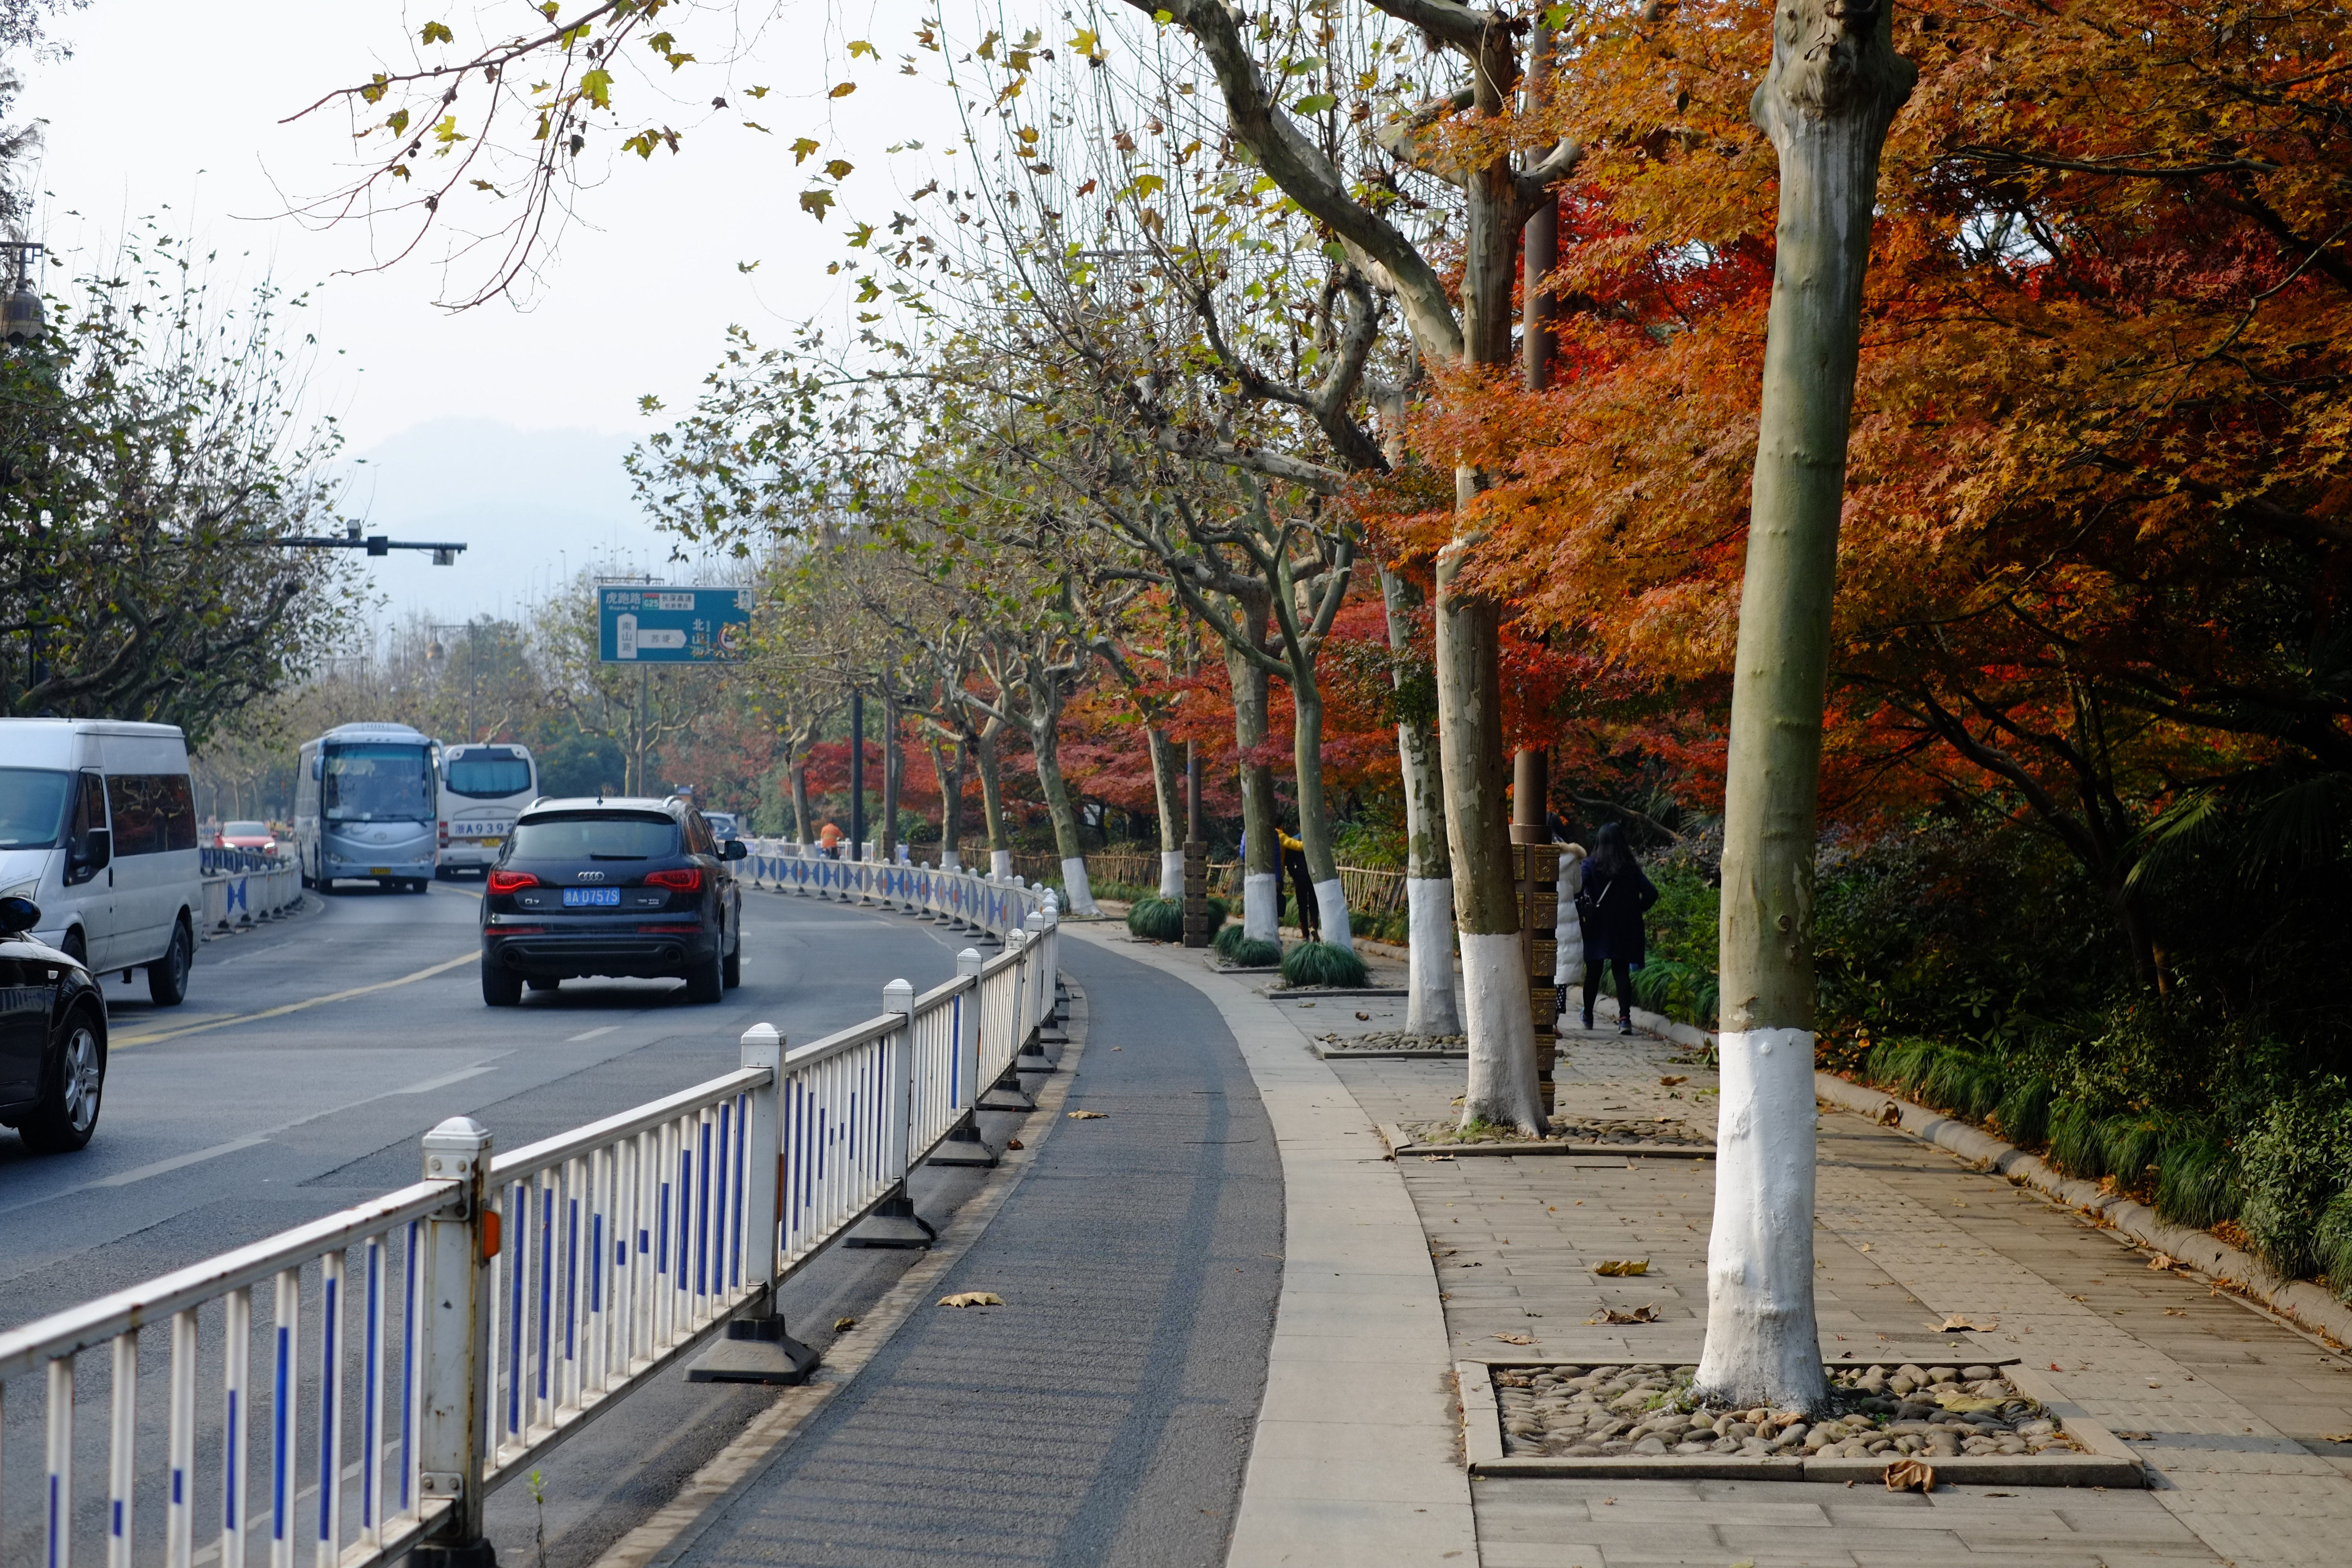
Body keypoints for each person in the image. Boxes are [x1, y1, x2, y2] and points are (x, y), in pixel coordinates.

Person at [1575, 821, 1657, 1034]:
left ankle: (1588, 1016)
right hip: (1625, 926)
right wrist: (1636, 909)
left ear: (1600, 841)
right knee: (1621, 971)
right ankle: (1625, 1020)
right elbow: (1651, 893)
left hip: (1597, 925)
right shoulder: (1631, 868)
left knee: (1594, 971)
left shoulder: (1590, 865)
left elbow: (1578, 891)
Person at [1277, 828, 1320, 940]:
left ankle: (1305, 933)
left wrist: (1294, 876)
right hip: (1313, 875)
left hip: (1300, 877)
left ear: (1297, 826)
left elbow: (1289, 863)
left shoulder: (1294, 841)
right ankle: (1314, 925)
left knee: (1302, 905)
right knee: (1314, 902)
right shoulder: (1315, 839)